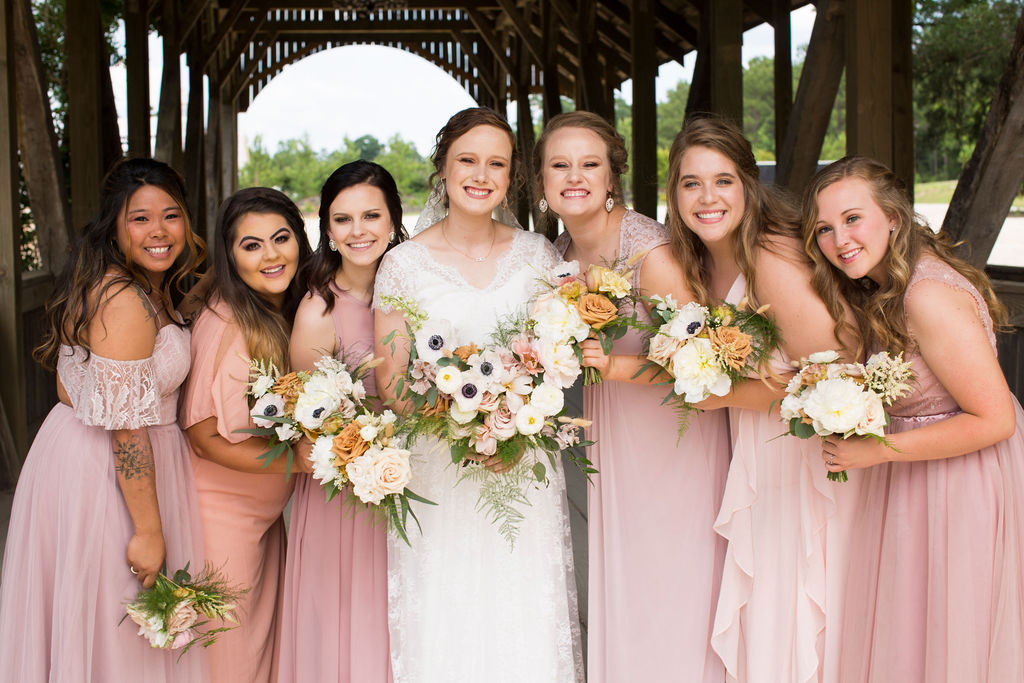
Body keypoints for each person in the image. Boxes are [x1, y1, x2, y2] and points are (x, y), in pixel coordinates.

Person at [373, 107, 584, 681]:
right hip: (441, 464)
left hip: (521, 461)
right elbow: (391, 381)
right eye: (468, 159)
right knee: (448, 599)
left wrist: (511, 418)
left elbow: (557, 357)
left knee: (522, 599)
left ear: (512, 175)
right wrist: (464, 424)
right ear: (442, 167)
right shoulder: (402, 264)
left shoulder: (539, 254)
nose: (481, 174)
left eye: (497, 163)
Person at [802, 156, 1024, 682]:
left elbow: (995, 419)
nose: (840, 239)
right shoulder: (884, 288)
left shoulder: (927, 294)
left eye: (853, 218)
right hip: (917, 477)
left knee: (948, 643)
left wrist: (876, 449)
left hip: (957, 484)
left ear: (894, 218)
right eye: (825, 229)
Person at [532, 110, 730, 682]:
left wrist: (614, 366)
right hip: (606, 436)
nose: (575, 176)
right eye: (560, 165)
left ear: (613, 177)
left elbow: (705, 366)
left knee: (666, 576)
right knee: (622, 579)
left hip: (670, 441)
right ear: (543, 183)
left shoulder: (654, 254)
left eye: (590, 164)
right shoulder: (560, 251)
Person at [666, 116, 860, 683]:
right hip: (759, 447)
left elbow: (829, 377)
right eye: (690, 182)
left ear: (749, 186)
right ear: (673, 192)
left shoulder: (772, 256)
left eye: (723, 180)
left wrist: (710, 396)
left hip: (796, 455)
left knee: (794, 601)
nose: (707, 197)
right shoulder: (704, 257)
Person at [0, 158, 208, 681]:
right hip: (109, 469)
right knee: (118, 616)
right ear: (115, 227)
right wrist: (149, 531)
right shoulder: (122, 298)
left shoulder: (144, 284)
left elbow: (68, 383)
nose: (159, 231)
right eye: (140, 218)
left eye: (171, 215)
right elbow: (125, 426)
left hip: (92, 451)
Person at [278, 160, 407, 682]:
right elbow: (312, 421)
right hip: (350, 493)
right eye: (343, 219)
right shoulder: (320, 309)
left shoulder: (415, 288)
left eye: (371, 215)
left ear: (395, 220)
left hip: (420, 470)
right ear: (326, 229)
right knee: (355, 616)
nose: (359, 231)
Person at [178, 187, 311, 683]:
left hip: (264, 516)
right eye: (251, 245)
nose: (271, 254)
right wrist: (298, 462)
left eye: (281, 238)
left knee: (259, 653)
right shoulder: (226, 322)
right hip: (222, 519)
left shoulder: (283, 310)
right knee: (229, 659)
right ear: (230, 257)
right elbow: (203, 437)